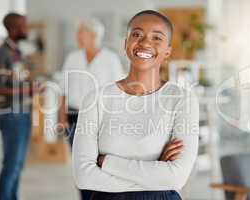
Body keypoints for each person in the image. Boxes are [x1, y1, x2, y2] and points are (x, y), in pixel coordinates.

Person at [72, 10, 199, 200]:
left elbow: (176, 178)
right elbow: (84, 177)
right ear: (126, 44)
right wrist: (155, 173)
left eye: (157, 37)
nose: (145, 42)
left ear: (168, 51)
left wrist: (107, 163)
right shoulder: (95, 99)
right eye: (137, 34)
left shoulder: (181, 99)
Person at [0, 12, 35, 200]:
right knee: (11, 165)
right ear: (14, 28)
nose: (27, 28)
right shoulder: (2, 53)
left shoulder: (17, 53)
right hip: (11, 115)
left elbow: (17, 81)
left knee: (18, 166)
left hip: (23, 113)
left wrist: (31, 87)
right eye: (24, 25)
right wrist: (27, 91)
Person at [58, 17, 124, 147]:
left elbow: (118, 91)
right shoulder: (72, 57)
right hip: (73, 115)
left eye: (81, 32)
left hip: (99, 116)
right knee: (76, 157)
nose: (77, 36)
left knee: (96, 156)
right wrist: (62, 118)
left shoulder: (111, 58)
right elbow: (63, 89)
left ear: (93, 35)